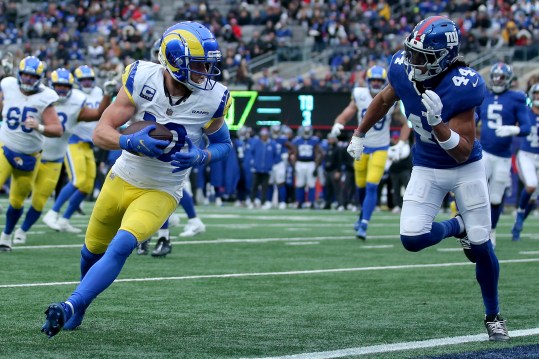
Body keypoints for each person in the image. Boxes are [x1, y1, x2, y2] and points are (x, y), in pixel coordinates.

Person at [41, 21, 232, 337]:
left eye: (208, 65)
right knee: (90, 250)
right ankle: (82, 303)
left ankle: (70, 305)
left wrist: (202, 156)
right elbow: (102, 132)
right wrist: (127, 141)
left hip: (163, 189)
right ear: (173, 62)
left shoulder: (213, 98)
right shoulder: (141, 77)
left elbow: (224, 145)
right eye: (198, 65)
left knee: (122, 245)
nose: (205, 73)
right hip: (122, 177)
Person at [346, 16, 509, 341]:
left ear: (444, 56)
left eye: (422, 57)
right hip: (426, 166)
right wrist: (359, 132)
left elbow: (462, 151)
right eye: (411, 53)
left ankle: (493, 316)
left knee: (481, 246)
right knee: (412, 238)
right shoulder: (402, 69)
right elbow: (383, 99)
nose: (413, 62)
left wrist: (437, 123)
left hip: (465, 169)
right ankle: (457, 225)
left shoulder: (464, 85)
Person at [12, 68, 113, 244]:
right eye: (58, 86)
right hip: (46, 148)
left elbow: (97, 114)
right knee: (20, 196)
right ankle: (47, 216)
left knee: (81, 187)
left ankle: (51, 222)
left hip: (69, 150)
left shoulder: (78, 100)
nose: (61, 90)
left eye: (65, 86)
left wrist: (107, 94)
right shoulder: (43, 95)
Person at [136, 37, 206, 258]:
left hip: (176, 145)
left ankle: (164, 235)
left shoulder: (190, 84)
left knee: (163, 187)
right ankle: (147, 234)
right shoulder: (145, 78)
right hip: (146, 143)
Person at [331, 65, 411, 239]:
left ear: (383, 82)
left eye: (379, 81)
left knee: (372, 185)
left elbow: (406, 123)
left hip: (381, 148)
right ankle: (362, 215)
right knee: (360, 187)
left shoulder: (392, 98)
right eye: (373, 80)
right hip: (361, 147)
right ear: (368, 81)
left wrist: (402, 142)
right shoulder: (359, 95)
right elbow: (347, 113)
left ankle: (364, 225)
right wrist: (338, 123)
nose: (375, 83)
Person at [0, 56, 63, 251]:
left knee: (17, 201)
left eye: (32, 76)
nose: (27, 79)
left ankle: (6, 236)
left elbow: (57, 129)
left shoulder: (46, 96)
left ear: (40, 77)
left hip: (29, 156)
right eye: (25, 75)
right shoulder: (8, 84)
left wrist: (39, 127)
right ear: (19, 74)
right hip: (5, 146)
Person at [42, 65, 108, 233]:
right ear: (77, 82)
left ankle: (65, 219)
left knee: (87, 186)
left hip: (89, 143)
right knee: (78, 180)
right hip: (73, 141)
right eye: (83, 80)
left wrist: (108, 94)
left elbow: (101, 112)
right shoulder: (72, 98)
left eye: (90, 79)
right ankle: (52, 212)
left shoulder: (96, 93)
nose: (87, 83)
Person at [476, 62, 530, 246]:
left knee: (496, 198)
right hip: (484, 152)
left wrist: (512, 130)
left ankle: (491, 231)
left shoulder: (516, 98)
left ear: (508, 80)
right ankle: (472, 228)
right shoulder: (483, 95)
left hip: (503, 156)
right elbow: (472, 119)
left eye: (501, 77)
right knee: (477, 192)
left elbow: (526, 127)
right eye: (495, 77)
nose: (498, 80)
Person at [511, 83, 539, 240]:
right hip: (527, 154)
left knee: (534, 199)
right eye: (537, 93)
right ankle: (520, 215)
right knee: (531, 185)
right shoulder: (526, 111)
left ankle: (517, 226)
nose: (538, 96)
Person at [292, 125, 322, 209]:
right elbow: (295, 153)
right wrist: (294, 165)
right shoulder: (298, 140)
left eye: (307, 132)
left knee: (311, 184)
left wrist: (316, 166)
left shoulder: (314, 140)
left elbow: (318, 154)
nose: (306, 133)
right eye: (305, 132)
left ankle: (312, 202)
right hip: (300, 163)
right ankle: (299, 202)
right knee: (299, 184)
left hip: (310, 163)